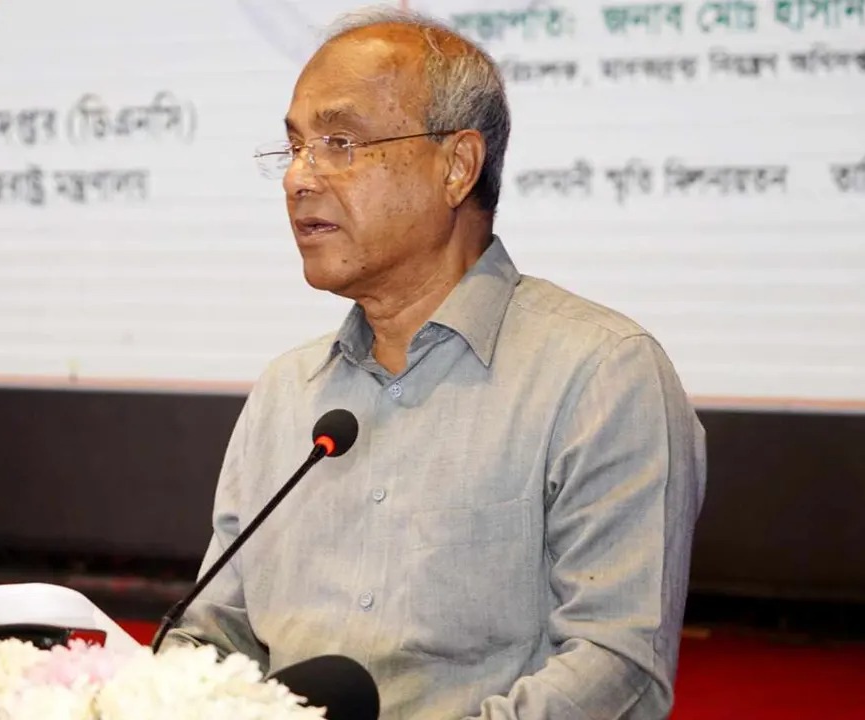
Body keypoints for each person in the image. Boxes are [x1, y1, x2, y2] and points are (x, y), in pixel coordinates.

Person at [162, 7, 707, 719]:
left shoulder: (602, 376)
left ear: (457, 167)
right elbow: (213, 633)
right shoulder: (286, 393)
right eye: (294, 146)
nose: (298, 178)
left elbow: (615, 665)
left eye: (339, 143)